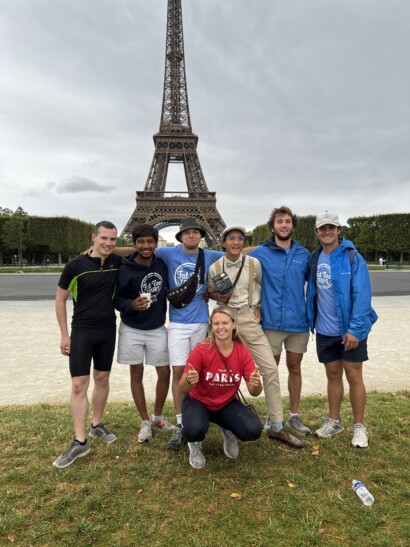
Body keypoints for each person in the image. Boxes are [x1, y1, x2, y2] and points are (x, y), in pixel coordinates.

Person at [207, 226, 305, 448]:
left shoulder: (254, 264)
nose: (236, 242)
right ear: (223, 243)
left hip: (249, 318)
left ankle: (277, 425)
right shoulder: (214, 268)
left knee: (269, 370)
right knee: (220, 371)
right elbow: (210, 292)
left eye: (240, 238)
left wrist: (258, 305)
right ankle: (225, 422)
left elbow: (261, 284)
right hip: (226, 319)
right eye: (231, 238)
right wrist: (216, 295)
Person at [306, 212, 378, 448]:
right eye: (322, 228)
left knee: (354, 376)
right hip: (326, 329)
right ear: (317, 232)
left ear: (338, 230)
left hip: (350, 329)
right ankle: (334, 421)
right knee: (333, 376)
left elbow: (362, 294)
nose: (327, 232)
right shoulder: (314, 258)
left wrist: (356, 329)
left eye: (331, 228)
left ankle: (359, 426)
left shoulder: (351, 256)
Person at [53, 221, 121, 468]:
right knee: (79, 384)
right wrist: (64, 335)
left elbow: (132, 251)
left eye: (113, 239)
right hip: (82, 330)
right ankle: (80, 441)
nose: (109, 243)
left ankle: (97, 424)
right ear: (93, 237)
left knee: (102, 378)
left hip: (107, 329)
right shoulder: (75, 265)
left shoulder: (116, 262)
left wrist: (112, 249)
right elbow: (60, 300)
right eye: (104, 238)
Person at [155, 217, 224, 450]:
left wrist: (269, 244)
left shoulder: (210, 255)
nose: (191, 236)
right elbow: (138, 249)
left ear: (201, 236)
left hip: (202, 322)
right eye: (187, 233)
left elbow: (237, 251)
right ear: (181, 236)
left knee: (200, 373)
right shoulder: (168, 253)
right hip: (177, 323)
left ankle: (197, 417)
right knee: (179, 372)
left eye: (195, 232)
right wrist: (99, 248)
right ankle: (181, 422)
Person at [244, 206, 311, 436]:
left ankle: (293, 415)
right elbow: (240, 269)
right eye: (280, 221)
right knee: (270, 371)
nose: (284, 225)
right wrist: (254, 303)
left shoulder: (304, 255)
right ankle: (273, 416)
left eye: (288, 221)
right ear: (272, 227)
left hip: (298, 323)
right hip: (271, 322)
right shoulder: (260, 253)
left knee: (294, 368)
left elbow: (315, 286)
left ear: (293, 226)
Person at [178, 307, 263, 469]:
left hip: (226, 403)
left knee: (253, 430)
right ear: (211, 327)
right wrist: (189, 379)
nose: (220, 327)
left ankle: (227, 430)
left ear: (234, 325)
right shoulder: (201, 350)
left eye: (225, 322)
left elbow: (254, 392)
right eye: (216, 323)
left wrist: (256, 383)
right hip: (198, 401)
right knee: (192, 430)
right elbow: (181, 388)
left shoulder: (242, 352)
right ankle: (195, 444)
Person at [114, 224, 173, 443]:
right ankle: (145, 421)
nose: (146, 246)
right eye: (141, 242)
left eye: (150, 242)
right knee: (136, 373)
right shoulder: (125, 267)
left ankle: (158, 416)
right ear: (134, 244)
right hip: (131, 328)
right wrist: (131, 305)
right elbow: (117, 299)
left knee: (164, 372)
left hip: (157, 327)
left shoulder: (163, 263)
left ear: (156, 243)